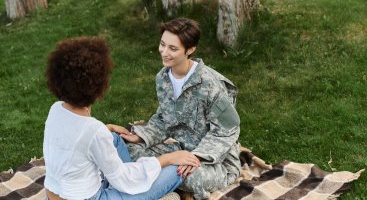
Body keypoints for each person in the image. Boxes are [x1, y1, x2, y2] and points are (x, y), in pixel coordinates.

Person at [43, 37, 200, 200]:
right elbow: (123, 178)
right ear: (98, 87)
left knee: (114, 139)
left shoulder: (56, 109)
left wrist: (107, 129)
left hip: (54, 194)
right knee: (177, 169)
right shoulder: (94, 131)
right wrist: (166, 159)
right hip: (91, 197)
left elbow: (76, 139)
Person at [124, 18, 241, 199]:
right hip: (178, 149)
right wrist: (142, 136)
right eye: (163, 44)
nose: (164, 52)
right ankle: (164, 181)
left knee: (187, 176)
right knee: (131, 151)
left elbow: (227, 129)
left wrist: (198, 157)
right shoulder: (163, 78)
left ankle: (161, 183)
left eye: (173, 48)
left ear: (190, 50)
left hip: (213, 160)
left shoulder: (210, 84)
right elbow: (165, 119)